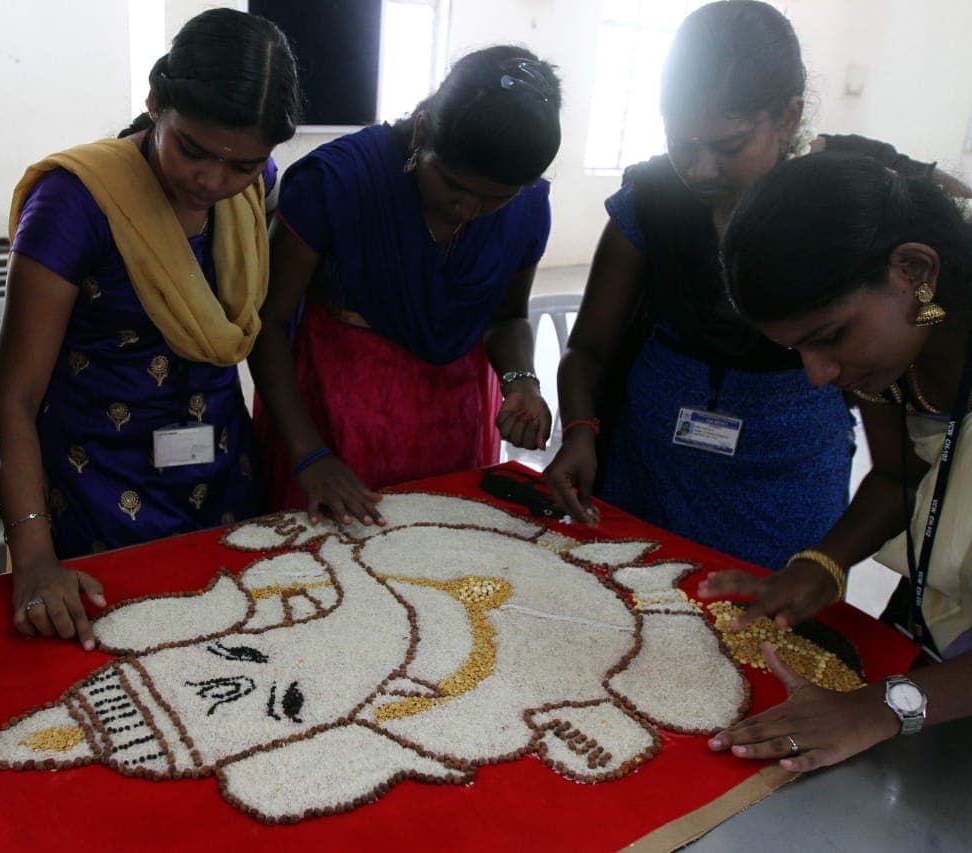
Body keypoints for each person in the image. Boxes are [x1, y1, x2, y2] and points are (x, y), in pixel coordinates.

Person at [544, 0, 954, 571]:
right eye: (682, 141)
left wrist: (820, 569)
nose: (701, 169)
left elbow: (895, 468)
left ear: (787, 118)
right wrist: (580, 430)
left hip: (783, 490)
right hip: (649, 472)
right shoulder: (651, 203)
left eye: (729, 146)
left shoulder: (837, 221)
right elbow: (589, 347)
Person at [0, 9, 300, 650]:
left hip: (223, 468)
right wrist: (35, 555)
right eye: (192, 149)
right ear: (156, 101)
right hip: (97, 482)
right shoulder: (75, 202)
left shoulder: (252, 189)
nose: (213, 180)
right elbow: (12, 395)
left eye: (241, 164)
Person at [701, 151, 972, 770]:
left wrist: (880, 707)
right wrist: (823, 563)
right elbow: (902, 473)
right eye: (797, 350)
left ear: (913, 271)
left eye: (830, 337)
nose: (819, 375)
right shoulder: (898, 354)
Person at [250, 45, 561, 526]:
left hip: (453, 424)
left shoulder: (528, 205)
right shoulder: (336, 181)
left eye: (494, 199)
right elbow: (268, 321)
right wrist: (310, 454)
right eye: (453, 185)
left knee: (444, 549)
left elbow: (507, 316)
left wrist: (521, 381)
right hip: (333, 425)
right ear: (420, 133)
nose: (468, 210)